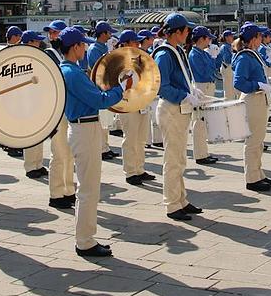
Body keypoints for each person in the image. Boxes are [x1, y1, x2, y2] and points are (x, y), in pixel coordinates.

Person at [58, 27, 133, 258]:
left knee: (88, 187)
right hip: (84, 128)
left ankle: (86, 238)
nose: (86, 48)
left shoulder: (70, 70)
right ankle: (85, 241)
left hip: (83, 127)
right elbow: (98, 100)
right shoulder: (71, 72)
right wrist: (120, 89)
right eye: (83, 45)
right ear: (75, 47)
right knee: (88, 189)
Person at [154, 13, 209, 221]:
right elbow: (162, 87)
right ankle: (171, 204)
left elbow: (181, 79)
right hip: (171, 108)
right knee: (173, 159)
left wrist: (192, 90)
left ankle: (181, 199)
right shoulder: (164, 54)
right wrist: (184, 96)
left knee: (179, 158)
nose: (189, 34)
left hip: (179, 108)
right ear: (176, 32)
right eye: (187, 30)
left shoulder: (177, 51)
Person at [233, 23, 271, 190]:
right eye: (260, 36)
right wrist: (258, 86)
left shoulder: (253, 54)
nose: (263, 39)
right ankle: (251, 178)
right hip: (252, 100)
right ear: (253, 38)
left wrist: (267, 82)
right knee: (253, 141)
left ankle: (258, 173)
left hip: (259, 99)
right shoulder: (245, 57)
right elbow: (238, 83)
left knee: (258, 141)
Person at [40, 26, 76, 209]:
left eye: (55, 32)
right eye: (51, 33)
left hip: (66, 107)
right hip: (57, 109)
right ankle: (56, 192)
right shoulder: (48, 53)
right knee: (59, 153)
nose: (52, 35)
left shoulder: (61, 55)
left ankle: (68, 189)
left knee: (68, 154)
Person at [114, 30, 153, 186]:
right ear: (125, 43)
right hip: (127, 103)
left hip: (141, 102)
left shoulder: (140, 58)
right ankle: (130, 172)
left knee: (141, 138)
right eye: (134, 42)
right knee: (130, 138)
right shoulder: (117, 60)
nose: (137, 44)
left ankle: (139, 169)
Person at [18, 31, 50, 180]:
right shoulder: (20, 58)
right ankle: (30, 166)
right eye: (36, 41)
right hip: (26, 101)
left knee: (39, 134)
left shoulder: (36, 57)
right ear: (29, 42)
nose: (39, 44)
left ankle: (38, 163)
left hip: (37, 100)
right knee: (30, 134)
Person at [86, 21, 118, 161]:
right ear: (103, 33)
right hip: (99, 87)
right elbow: (98, 69)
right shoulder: (94, 49)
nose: (110, 35)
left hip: (106, 86)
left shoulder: (103, 47)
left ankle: (105, 147)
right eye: (109, 32)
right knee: (101, 121)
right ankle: (102, 149)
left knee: (105, 121)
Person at [187, 25, 219, 166]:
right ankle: (200, 154)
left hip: (207, 85)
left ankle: (204, 152)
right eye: (208, 38)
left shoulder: (203, 53)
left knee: (203, 121)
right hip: (201, 86)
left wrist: (214, 57)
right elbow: (203, 72)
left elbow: (214, 69)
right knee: (199, 121)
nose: (209, 42)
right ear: (201, 39)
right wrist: (212, 59)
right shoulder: (194, 54)